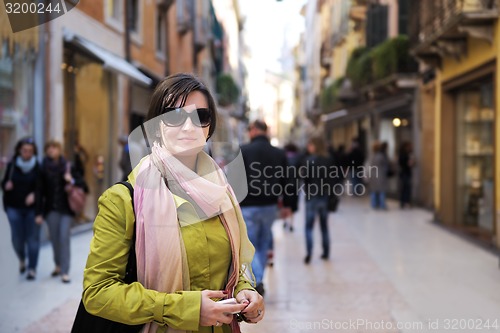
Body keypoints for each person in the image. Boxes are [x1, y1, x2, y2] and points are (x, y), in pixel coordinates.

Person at [82, 73, 264, 333]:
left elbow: (233, 268)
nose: (189, 127)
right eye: (175, 116)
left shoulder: (221, 191)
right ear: (156, 125)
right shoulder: (124, 200)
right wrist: (185, 309)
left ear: (209, 127)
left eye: (200, 116)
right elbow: (97, 292)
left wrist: (245, 291)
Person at [240, 120, 293, 296]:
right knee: (263, 242)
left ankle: (258, 280)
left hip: (247, 206)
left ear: (254, 130)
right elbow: (288, 180)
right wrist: (288, 204)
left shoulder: (242, 150)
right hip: (270, 205)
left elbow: (233, 181)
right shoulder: (278, 153)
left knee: (250, 244)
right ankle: (259, 278)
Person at [38, 140, 87, 283]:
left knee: (64, 238)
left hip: (66, 209)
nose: (51, 150)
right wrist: (39, 212)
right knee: (54, 239)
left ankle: (65, 271)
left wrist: (71, 180)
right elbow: (40, 191)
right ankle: (58, 265)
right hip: (51, 209)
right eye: (49, 148)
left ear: (59, 150)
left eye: (54, 148)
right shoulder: (43, 167)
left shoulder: (68, 166)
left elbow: (83, 184)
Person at [1, 137, 41, 280]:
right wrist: (6, 186)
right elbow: (4, 183)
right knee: (16, 239)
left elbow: (42, 189)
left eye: (30, 151)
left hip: (32, 210)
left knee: (32, 239)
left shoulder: (37, 166)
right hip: (14, 208)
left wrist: (35, 195)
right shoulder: (12, 166)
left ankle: (32, 268)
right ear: (19, 150)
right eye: (24, 150)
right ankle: (21, 259)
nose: (27, 153)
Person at [299, 136, 333, 264]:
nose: (308, 147)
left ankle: (309, 253)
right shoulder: (329, 159)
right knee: (324, 226)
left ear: (315, 146)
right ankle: (326, 251)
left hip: (311, 196)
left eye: (310, 145)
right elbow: (333, 179)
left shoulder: (308, 160)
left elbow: (304, 178)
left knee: (309, 227)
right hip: (324, 196)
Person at [368, 141, 389, 210]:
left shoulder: (372, 156)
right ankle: (382, 205)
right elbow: (385, 165)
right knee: (381, 191)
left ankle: (374, 204)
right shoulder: (381, 156)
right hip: (380, 174)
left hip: (373, 175)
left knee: (374, 191)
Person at [398, 141, 415, 208]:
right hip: (405, 173)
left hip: (404, 173)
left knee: (405, 188)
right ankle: (405, 202)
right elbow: (407, 164)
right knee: (406, 188)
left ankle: (404, 202)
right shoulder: (405, 155)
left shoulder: (405, 154)